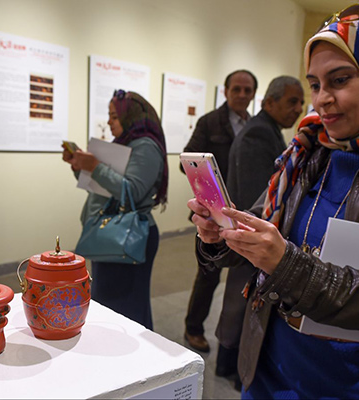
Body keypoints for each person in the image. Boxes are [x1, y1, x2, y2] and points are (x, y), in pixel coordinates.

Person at [188, 4, 359, 399]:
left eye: (339, 80)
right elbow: (264, 224)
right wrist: (222, 233)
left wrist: (284, 263)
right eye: (315, 84)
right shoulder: (309, 150)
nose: (321, 99)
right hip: (270, 372)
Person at [215, 76, 304, 383]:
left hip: (251, 237)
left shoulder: (266, 131)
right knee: (242, 305)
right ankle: (234, 368)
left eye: (301, 102)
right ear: (270, 102)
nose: (299, 108)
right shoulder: (258, 134)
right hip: (251, 236)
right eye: (292, 101)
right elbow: (260, 195)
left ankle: (233, 366)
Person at [63, 90, 168, 330]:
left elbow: (132, 191)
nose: (109, 122)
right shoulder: (124, 143)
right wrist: (79, 166)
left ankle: (137, 361)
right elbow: (103, 187)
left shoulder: (146, 147)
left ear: (129, 116)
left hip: (129, 235)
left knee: (127, 308)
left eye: (114, 116)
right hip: (111, 231)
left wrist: (96, 167)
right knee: (109, 304)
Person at [182, 69, 257, 353]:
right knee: (208, 274)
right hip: (214, 213)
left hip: (245, 210)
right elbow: (186, 160)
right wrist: (209, 181)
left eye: (247, 90)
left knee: (242, 275)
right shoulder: (209, 121)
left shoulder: (254, 125)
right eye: (236, 89)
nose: (241, 95)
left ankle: (232, 335)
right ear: (225, 91)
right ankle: (193, 328)